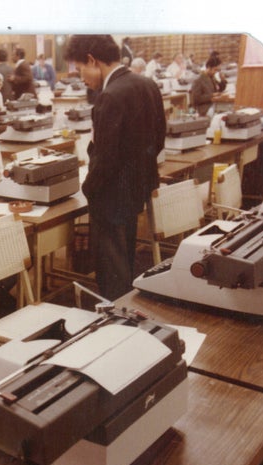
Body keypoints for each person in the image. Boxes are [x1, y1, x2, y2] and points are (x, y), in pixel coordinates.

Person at [64, 35, 166, 301]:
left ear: (91, 60)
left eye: (80, 69)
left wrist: (87, 188)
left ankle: (116, 323)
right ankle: (130, 319)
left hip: (109, 199)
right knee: (127, 264)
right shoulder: (148, 85)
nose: (81, 78)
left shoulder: (109, 96)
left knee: (111, 277)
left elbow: (105, 160)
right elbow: (158, 141)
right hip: (135, 192)